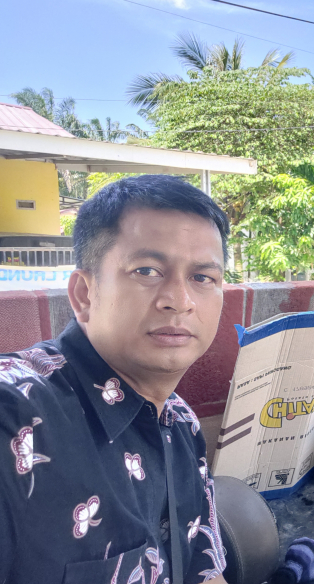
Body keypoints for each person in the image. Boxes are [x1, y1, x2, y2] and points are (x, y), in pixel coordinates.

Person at [0, 176, 230, 584]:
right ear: (84, 294)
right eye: (147, 271)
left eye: (202, 278)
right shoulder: (14, 418)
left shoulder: (180, 422)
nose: (179, 300)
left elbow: (203, 570)